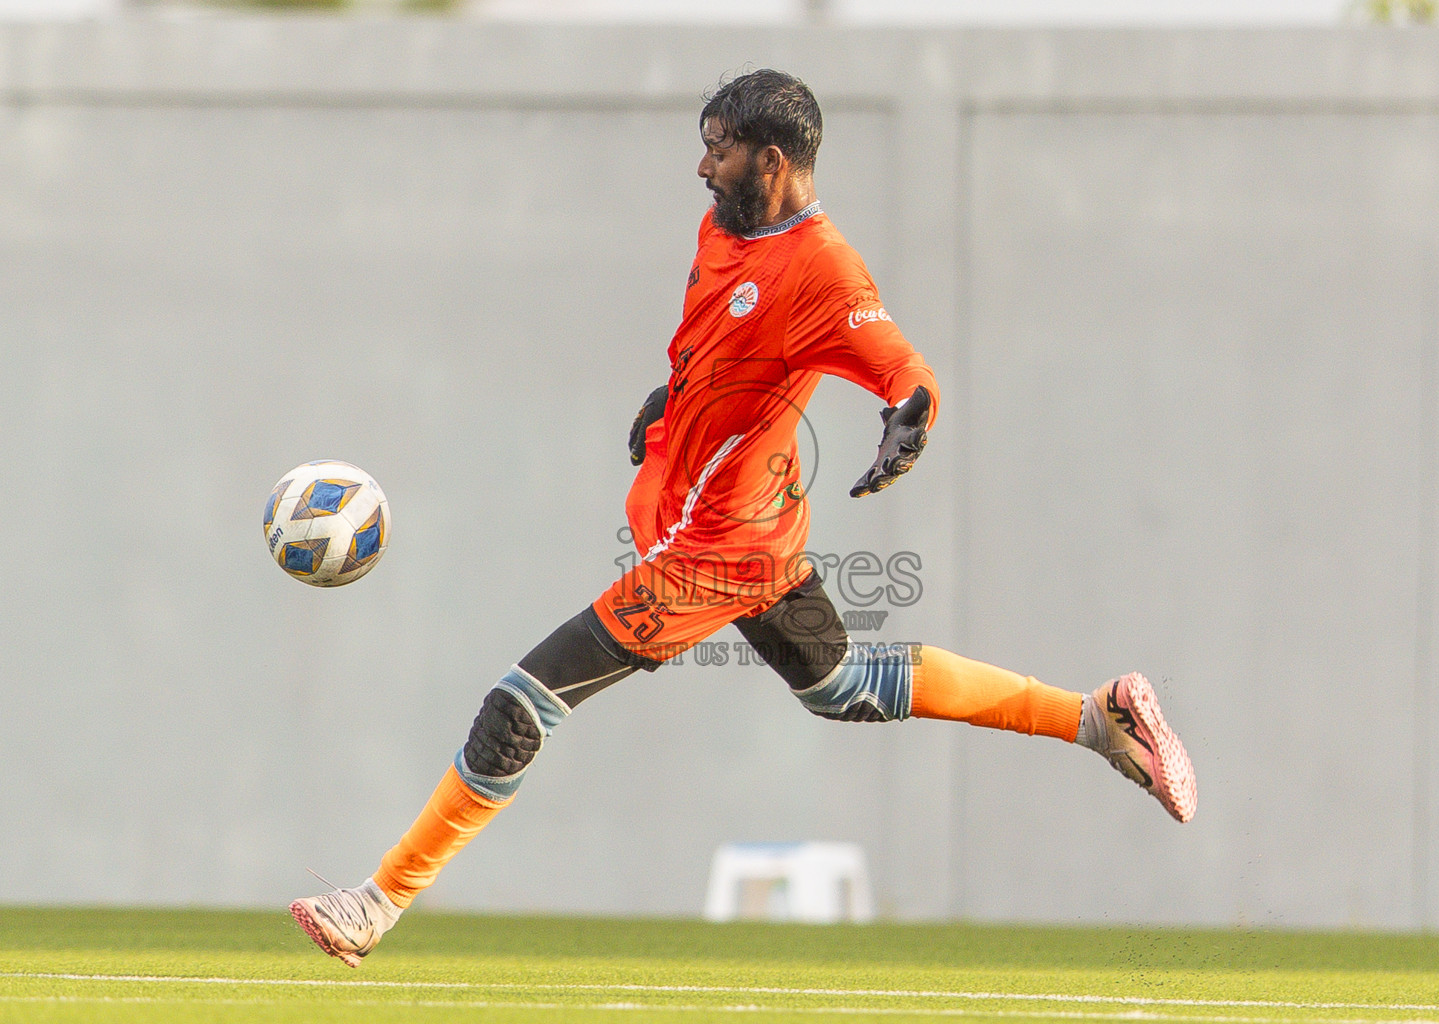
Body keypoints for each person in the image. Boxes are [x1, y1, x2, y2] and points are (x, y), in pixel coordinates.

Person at [289, 68, 1196, 967]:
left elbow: (901, 365)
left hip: (712, 554)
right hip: (746, 527)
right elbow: (720, 344)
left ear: (769, 161)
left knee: (520, 705)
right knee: (842, 687)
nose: (701, 168)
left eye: (716, 150)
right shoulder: (726, 225)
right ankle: (1096, 716)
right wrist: (671, 399)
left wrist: (909, 419)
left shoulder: (823, 270)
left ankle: (378, 901)